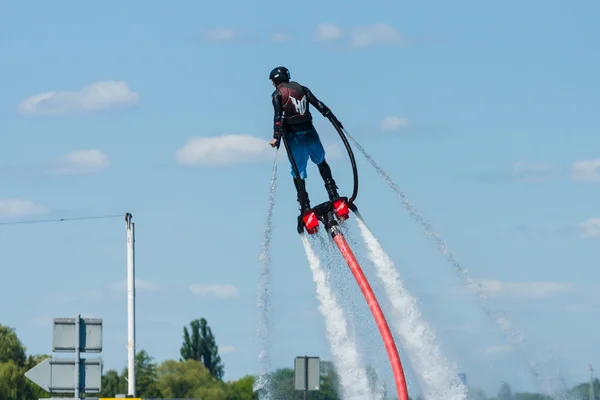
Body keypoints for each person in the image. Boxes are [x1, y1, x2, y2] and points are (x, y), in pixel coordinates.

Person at [268, 66, 343, 214]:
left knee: (297, 172)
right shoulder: (303, 89)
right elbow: (320, 105)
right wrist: (334, 120)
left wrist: (276, 138)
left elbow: (277, 118)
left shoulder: (277, 94)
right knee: (321, 161)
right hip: (311, 134)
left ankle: (304, 204)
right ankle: (333, 193)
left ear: (276, 80)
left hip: (295, 139)